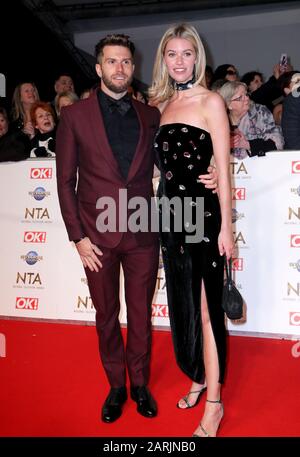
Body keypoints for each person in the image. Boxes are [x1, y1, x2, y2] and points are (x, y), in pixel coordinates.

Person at [56, 32, 217, 426]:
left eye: (126, 62)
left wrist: (209, 170)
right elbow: (64, 182)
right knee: (107, 315)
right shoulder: (75, 117)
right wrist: (78, 237)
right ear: (98, 68)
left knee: (141, 313)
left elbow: (174, 160)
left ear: (134, 67)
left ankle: (140, 383)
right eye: (112, 61)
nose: (120, 68)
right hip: (96, 238)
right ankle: (116, 386)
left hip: (144, 233)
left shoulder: (151, 115)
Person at [149, 23, 234, 437]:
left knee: (205, 309)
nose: (180, 61)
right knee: (184, 303)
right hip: (169, 218)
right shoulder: (161, 105)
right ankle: (200, 376)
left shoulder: (211, 101)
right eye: (172, 54)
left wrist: (228, 227)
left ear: (197, 57)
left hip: (203, 217)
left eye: (187, 53)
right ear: (163, 60)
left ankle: (214, 404)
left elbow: (224, 169)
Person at [219, 81, 284, 160]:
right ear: (229, 104)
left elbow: (278, 142)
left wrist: (247, 144)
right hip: (230, 167)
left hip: (259, 165)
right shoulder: (219, 119)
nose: (246, 98)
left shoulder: (259, 112)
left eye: (246, 94)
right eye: (240, 97)